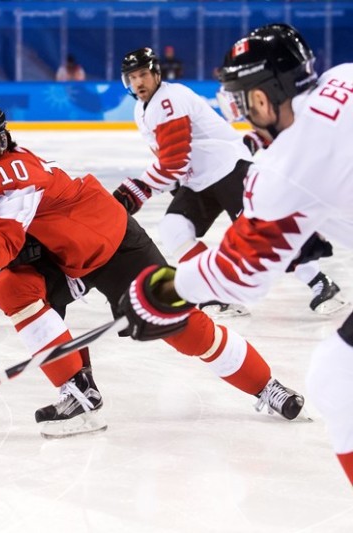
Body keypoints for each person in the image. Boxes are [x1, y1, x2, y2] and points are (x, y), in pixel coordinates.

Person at [0, 96, 304, 439]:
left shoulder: (15, 174)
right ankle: (78, 393)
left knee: (181, 324)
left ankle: (265, 385)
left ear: (3, 142)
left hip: (112, 244)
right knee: (12, 287)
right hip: (57, 256)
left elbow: (1, 235)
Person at [119, 23, 353, 487]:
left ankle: (317, 281)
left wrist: (162, 290)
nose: (241, 111)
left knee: (335, 379)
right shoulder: (343, 76)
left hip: (222, 174)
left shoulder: (286, 169)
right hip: (204, 181)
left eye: (242, 99)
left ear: (263, 99)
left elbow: (240, 272)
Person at [114, 47, 345, 316]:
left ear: (155, 73)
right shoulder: (143, 109)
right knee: (173, 227)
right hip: (200, 180)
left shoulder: (170, 99)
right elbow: (175, 160)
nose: (138, 82)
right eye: (132, 77)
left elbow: (174, 159)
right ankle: (215, 294)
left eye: (143, 74)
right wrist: (170, 182)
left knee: (264, 234)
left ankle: (321, 283)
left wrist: (137, 191)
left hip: (228, 169)